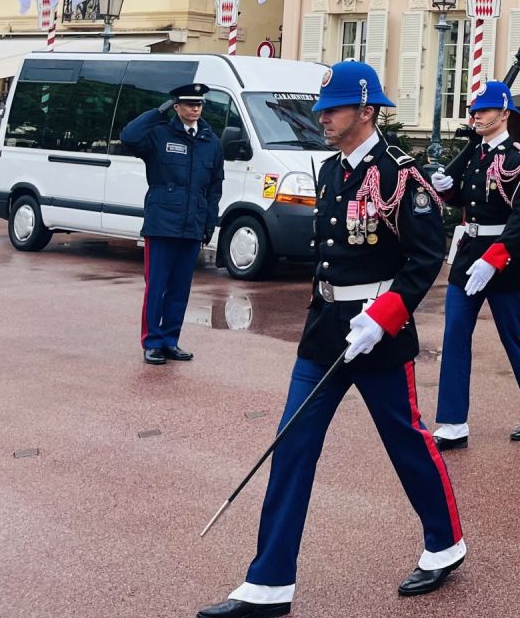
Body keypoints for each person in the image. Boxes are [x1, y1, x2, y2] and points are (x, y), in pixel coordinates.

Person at [198, 61, 463, 618]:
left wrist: (384, 316)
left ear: (366, 111)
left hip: (378, 333)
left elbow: (425, 257)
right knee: (292, 443)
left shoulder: (400, 174)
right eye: (321, 109)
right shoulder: (329, 171)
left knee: (406, 441)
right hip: (326, 330)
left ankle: (445, 543)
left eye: (332, 109)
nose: (321, 118)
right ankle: (269, 582)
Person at [429, 79, 520, 446]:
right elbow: (468, 200)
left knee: (513, 336)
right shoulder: (475, 154)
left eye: (483, 111)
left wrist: (494, 258)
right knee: (454, 334)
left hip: (504, 258)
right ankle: (453, 422)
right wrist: (447, 190)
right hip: (469, 252)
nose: (476, 116)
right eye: (474, 111)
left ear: (504, 113)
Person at [121, 84, 224, 365]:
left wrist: (209, 223)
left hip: (193, 225)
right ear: (176, 106)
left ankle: (169, 340)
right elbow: (129, 136)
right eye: (189, 104)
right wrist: (158, 112)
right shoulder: (159, 134)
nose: (195, 109)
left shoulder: (210, 141)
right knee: (157, 286)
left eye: (199, 104)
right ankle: (152, 342)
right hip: (162, 224)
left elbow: (214, 187)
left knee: (180, 288)